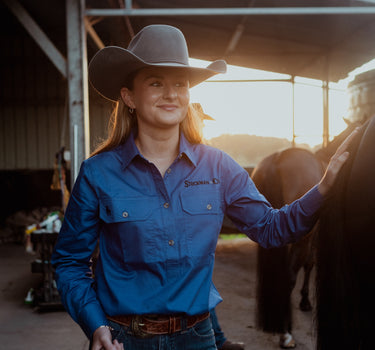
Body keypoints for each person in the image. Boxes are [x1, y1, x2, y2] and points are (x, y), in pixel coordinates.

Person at [51, 24, 357, 350]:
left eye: (180, 84)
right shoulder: (98, 173)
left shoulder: (219, 167)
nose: (171, 94)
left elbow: (272, 228)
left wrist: (324, 189)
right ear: (129, 96)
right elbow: (70, 262)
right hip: (123, 340)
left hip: (197, 339)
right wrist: (95, 324)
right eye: (156, 83)